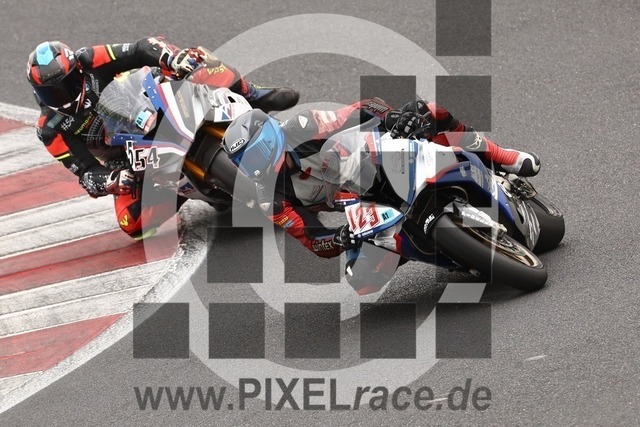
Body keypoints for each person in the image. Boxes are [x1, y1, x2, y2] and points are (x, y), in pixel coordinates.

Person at [222, 98, 541, 294]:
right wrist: (339, 238)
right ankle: (453, 253)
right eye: (247, 164)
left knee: (427, 111)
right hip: (361, 206)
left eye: (258, 153)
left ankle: (500, 155)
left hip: (378, 160)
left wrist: (392, 118)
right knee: (361, 280)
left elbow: (360, 109)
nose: (258, 166)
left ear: (271, 136)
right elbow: (313, 239)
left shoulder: (303, 125)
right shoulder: (270, 199)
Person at [26, 37, 299, 239]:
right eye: (51, 92)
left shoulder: (90, 59)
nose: (61, 95)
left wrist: (171, 58)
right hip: (126, 156)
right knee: (131, 223)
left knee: (195, 60)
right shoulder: (50, 129)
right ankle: (181, 191)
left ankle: (252, 93)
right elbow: (85, 172)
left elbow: (139, 49)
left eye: (66, 84)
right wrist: (110, 180)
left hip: (148, 102)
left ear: (77, 70)